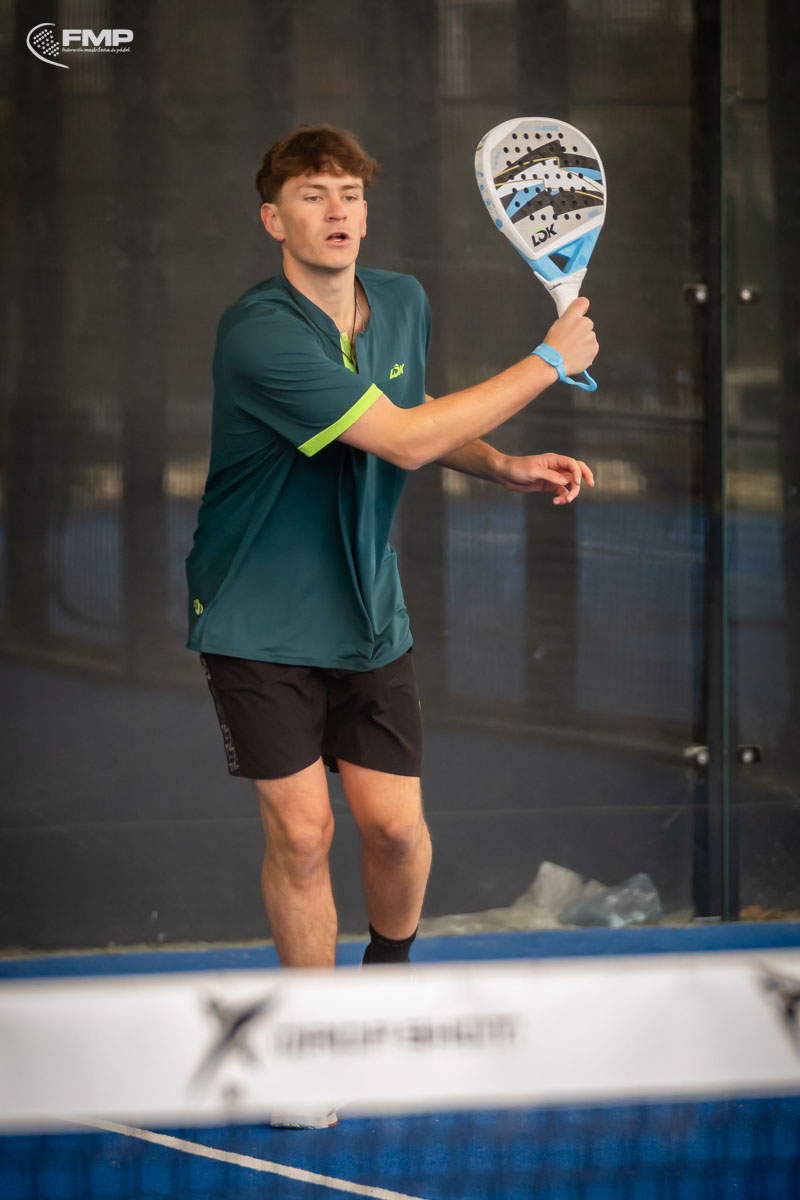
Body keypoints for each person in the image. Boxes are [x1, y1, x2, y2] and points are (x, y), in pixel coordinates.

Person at [186, 123, 597, 976]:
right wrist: (548, 362)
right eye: (312, 196)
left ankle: (386, 988)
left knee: (397, 830)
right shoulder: (257, 334)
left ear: (366, 214)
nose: (337, 211)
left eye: (351, 194)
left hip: (369, 610)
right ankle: (315, 1029)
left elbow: (415, 412)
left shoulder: (403, 300)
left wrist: (500, 464)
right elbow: (404, 441)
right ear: (274, 220)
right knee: (304, 835)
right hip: (256, 618)